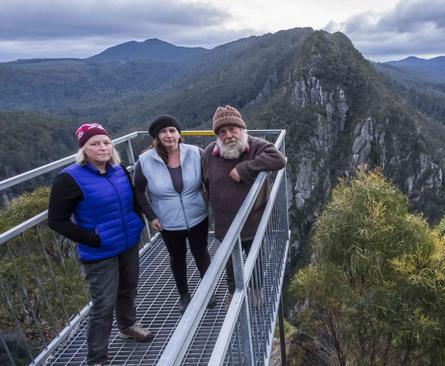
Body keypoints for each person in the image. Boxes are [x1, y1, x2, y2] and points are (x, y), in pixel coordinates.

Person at [48, 123, 153, 366]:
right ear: (83, 149)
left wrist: (138, 221)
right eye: (94, 143)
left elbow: (133, 200)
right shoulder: (69, 179)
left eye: (106, 142)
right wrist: (93, 239)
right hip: (99, 252)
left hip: (127, 243)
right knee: (104, 304)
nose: (102, 147)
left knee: (128, 288)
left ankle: (127, 325)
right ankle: (97, 358)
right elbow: (57, 221)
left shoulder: (118, 170)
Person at [201, 105, 286, 295]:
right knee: (230, 265)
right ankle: (232, 295)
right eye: (222, 131)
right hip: (225, 225)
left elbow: (279, 159)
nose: (229, 135)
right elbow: (204, 182)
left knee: (255, 260)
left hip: (252, 223)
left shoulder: (255, 145)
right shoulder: (209, 153)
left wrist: (245, 169)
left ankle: (256, 293)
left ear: (242, 129)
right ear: (217, 135)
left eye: (233, 129)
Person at [133, 114, 214, 313]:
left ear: (179, 134)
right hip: (167, 220)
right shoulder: (145, 161)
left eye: (172, 130)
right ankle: (184, 295)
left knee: (201, 253)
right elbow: (138, 190)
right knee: (177, 257)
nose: (168, 135)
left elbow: (210, 179)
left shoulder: (196, 153)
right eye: (163, 131)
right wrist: (151, 216)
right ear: (157, 137)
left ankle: (208, 290)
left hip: (197, 215)